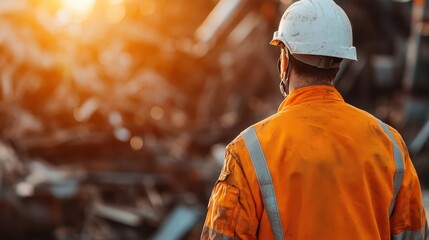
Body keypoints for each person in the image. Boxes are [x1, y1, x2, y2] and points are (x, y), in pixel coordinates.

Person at [200, 0, 428, 239]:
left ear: (284, 60)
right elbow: (414, 233)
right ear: (338, 63)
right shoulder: (390, 144)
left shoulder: (248, 150)